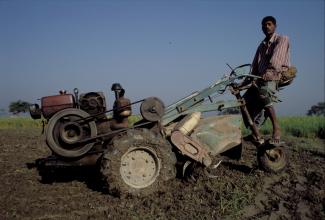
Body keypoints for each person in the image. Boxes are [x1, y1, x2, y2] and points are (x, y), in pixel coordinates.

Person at [244, 16, 291, 145]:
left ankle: (276, 127)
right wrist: (243, 83)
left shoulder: (282, 39)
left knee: (263, 92)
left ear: (275, 26)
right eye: (264, 25)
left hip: (277, 75)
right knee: (244, 101)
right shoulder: (261, 46)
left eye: (269, 24)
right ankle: (255, 130)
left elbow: (277, 59)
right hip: (261, 78)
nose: (266, 27)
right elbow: (254, 67)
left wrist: (269, 72)